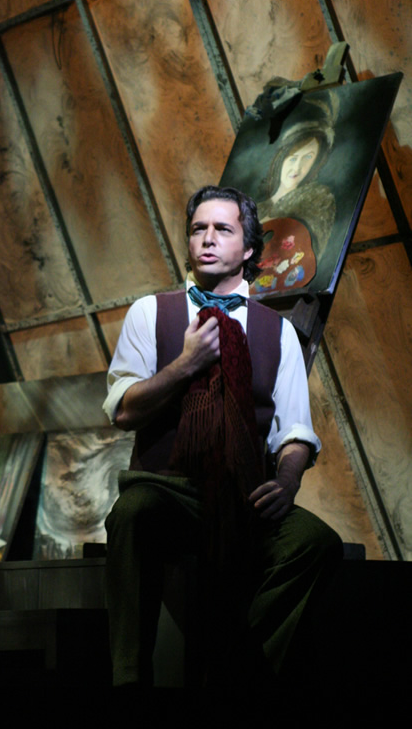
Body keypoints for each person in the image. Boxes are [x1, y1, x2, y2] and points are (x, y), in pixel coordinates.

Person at [103, 185, 342, 688]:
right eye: (198, 229)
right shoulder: (150, 312)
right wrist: (184, 365)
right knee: (132, 513)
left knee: (314, 542)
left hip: (242, 494)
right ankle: (128, 679)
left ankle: (239, 671)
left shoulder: (278, 332)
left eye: (222, 229)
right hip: (169, 489)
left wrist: (288, 482)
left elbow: (296, 432)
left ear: (249, 248)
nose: (207, 239)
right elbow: (123, 410)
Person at [257, 121, 335, 259]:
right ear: (280, 159)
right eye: (293, 158)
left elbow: (308, 254)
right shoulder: (257, 209)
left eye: (308, 157)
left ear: (316, 162)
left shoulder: (317, 200)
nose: (297, 167)